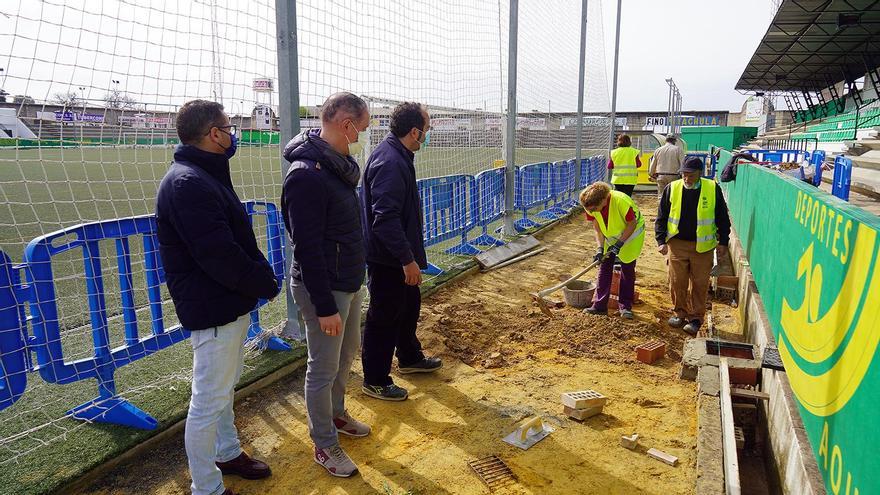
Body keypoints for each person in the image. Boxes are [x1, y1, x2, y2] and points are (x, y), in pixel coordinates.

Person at [156, 100, 280, 495]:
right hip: (212, 308)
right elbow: (219, 254)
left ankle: (227, 453)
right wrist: (263, 282)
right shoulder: (188, 183)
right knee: (208, 400)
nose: (233, 134)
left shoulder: (202, 175)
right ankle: (206, 487)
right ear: (214, 134)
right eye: (229, 127)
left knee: (223, 389)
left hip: (225, 303)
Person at [281, 92, 371, 478]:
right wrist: (324, 305)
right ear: (345, 123)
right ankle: (324, 444)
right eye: (362, 128)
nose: (363, 136)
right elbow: (307, 247)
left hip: (348, 281)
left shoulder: (338, 165)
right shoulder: (306, 175)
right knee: (322, 367)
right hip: (324, 289)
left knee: (346, 354)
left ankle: (336, 416)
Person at [360, 102, 442, 402]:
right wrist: (407, 260)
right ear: (414, 132)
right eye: (427, 131)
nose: (427, 136)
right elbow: (385, 218)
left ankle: (409, 357)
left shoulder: (399, 154)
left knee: (408, 306)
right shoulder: (391, 162)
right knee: (384, 316)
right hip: (388, 259)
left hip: (399, 254)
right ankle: (375, 379)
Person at [655, 156, 731, 335]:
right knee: (677, 281)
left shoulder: (712, 189)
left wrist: (723, 242)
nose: (686, 178)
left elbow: (722, 217)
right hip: (677, 244)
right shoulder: (672, 188)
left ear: (699, 173)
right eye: (684, 175)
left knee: (699, 283)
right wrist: (660, 241)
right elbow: (662, 216)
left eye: (690, 175)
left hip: (703, 247)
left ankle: (696, 317)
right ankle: (679, 312)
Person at [579, 182, 645, 319]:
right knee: (604, 266)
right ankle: (599, 306)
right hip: (611, 235)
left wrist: (620, 243)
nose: (591, 212)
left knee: (627, 268)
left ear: (603, 200)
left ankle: (625, 307)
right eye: (590, 210)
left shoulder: (621, 201)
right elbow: (597, 227)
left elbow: (632, 224)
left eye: (594, 209)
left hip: (631, 235)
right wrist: (600, 248)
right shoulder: (590, 205)